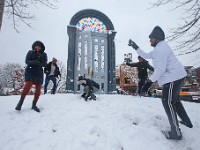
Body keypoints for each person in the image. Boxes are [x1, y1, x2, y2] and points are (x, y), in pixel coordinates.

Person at [128, 26, 193, 140]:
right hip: (176, 76)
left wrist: (148, 83)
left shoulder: (161, 49)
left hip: (173, 78)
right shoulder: (159, 48)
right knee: (175, 101)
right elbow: (147, 55)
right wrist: (135, 47)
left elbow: (160, 69)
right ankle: (187, 122)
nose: (150, 40)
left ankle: (176, 133)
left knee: (167, 102)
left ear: (157, 38)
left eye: (151, 38)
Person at [15, 41, 47, 112]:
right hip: (30, 70)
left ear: (41, 47)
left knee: (38, 89)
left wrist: (40, 59)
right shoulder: (30, 52)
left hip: (39, 72)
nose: (38, 48)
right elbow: (27, 61)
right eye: (36, 46)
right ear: (34, 46)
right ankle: (20, 103)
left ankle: (34, 104)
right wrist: (35, 62)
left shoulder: (44, 54)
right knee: (27, 85)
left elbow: (44, 64)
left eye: (39, 47)